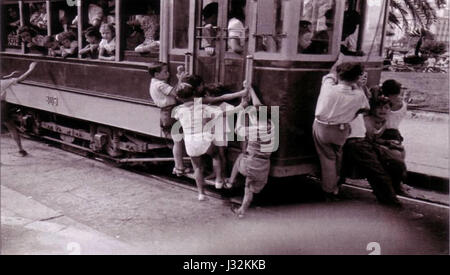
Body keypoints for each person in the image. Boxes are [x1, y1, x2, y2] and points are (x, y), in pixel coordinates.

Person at [312, 54, 369, 200]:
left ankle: (328, 190)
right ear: (356, 78)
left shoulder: (329, 88)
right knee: (337, 155)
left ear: (340, 75)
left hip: (323, 127)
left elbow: (330, 75)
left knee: (327, 159)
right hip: (342, 130)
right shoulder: (358, 94)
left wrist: (338, 62)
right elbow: (365, 108)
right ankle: (337, 185)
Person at [172, 84, 224, 201]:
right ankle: (219, 180)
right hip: (204, 137)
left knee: (197, 167)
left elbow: (177, 117)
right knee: (215, 156)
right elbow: (220, 112)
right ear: (194, 94)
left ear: (179, 98)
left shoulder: (178, 110)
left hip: (190, 140)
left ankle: (201, 194)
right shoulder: (202, 107)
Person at [228, 98, 275, 218]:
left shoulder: (253, 130)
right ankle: (242, 210)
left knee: (240, 157)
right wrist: (251, 89)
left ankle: (230, 182)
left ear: (256, 118)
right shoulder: (272, 126)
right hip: (264, 166)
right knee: (249, 189)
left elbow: (237, 129)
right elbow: (259, 106)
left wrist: (241, 111)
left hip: (251, 163)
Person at [148, 62, 189, 178]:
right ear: (156, 74)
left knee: (178, 140)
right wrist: (180, 80)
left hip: (167, 112)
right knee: (178, 141)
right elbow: (176, 92)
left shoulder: (154, 82)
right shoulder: (160, 85)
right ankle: (179, 166)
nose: (168, 73)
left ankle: (180, 165)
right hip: (170, 112)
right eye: (165, 72)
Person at [1, 62, 38, 157]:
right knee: (11, 127)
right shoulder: (3, 83)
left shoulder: (3, 81)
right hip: (1, 106)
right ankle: (21, 150)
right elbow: (20, 79)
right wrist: (31, 69)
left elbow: (2, 78)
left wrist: (9, 75)